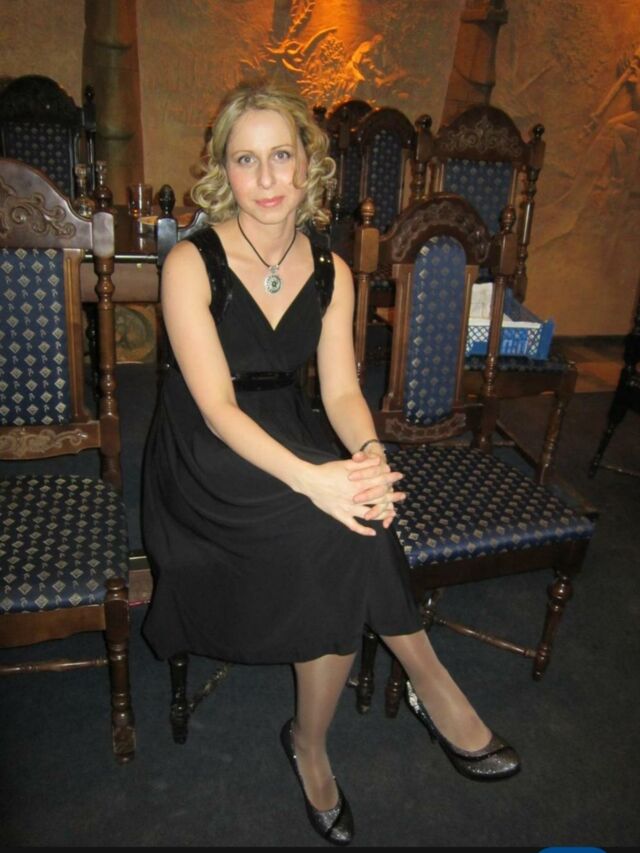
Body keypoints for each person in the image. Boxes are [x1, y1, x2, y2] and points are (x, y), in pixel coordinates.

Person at [141, 79, 520, 847]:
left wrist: (369, 454)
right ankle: (407, 694)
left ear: (308, 161)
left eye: (281, 155)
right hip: (205, 455)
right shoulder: (189, 262)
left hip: (289, 421)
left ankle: (323, 731)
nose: (267, 177)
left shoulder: (331, 269)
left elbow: (344, 391)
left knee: (358, 511)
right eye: (246, 159)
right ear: (223, 169)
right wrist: (317, 479)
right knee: (338, 526)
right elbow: (215, 408)